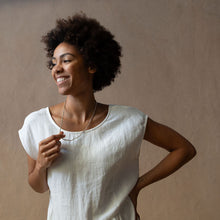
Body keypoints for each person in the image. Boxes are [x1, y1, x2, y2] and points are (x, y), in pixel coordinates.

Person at [18, 13, 196, 220]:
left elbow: (184, 149)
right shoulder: (37, 123)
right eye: (53, 62)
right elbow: (38, 186)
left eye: (66, 60)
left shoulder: (128, 121)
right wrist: (41, 165)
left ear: (91, 66)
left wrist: (137, 186)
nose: (57, 68)